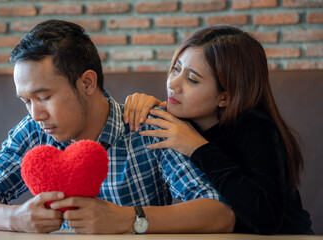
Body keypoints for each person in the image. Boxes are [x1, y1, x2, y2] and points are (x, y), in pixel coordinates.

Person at [0, 20, 235, 234]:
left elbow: (219, 213)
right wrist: (15, 218)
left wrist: (129, 219)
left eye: (44, 97)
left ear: (87, 83)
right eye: (26, 101)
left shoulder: (145, 127)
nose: (36, 113)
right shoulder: (34, 131)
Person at [124, 25, 313, 234]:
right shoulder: (179, 121)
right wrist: (140, 106)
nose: (174, 84)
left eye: (192, 80)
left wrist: (198, 147)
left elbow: (265, 219)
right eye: (176, 69)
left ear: (225, 97)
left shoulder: (258, 130)